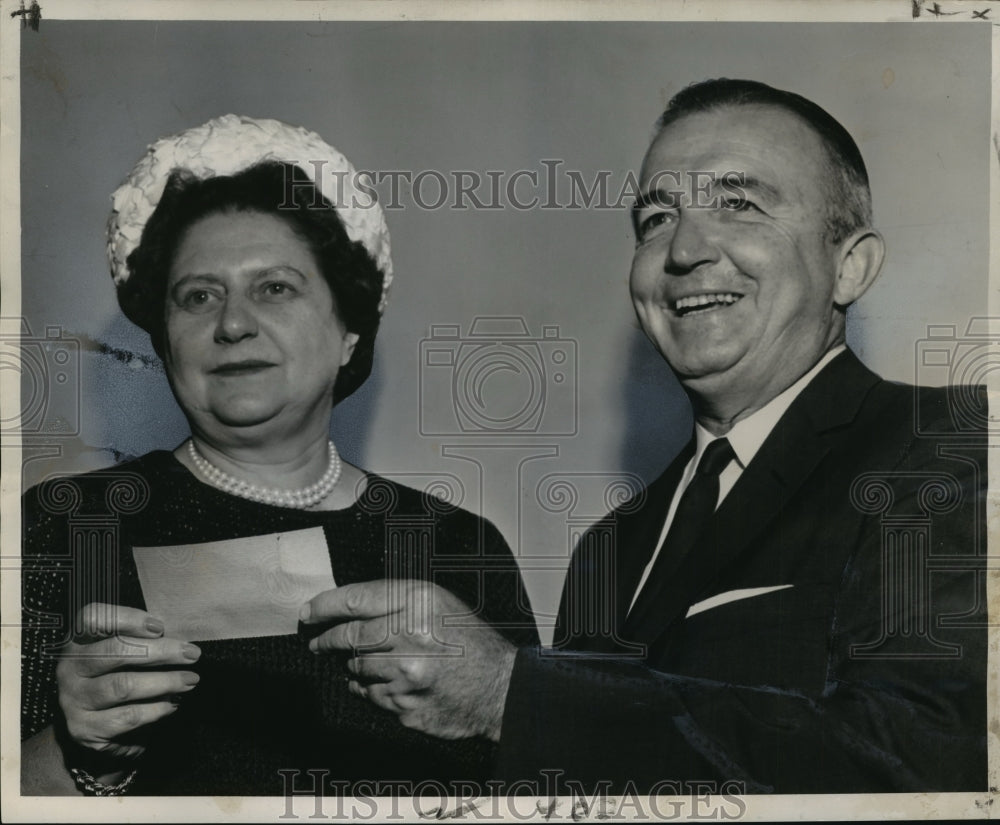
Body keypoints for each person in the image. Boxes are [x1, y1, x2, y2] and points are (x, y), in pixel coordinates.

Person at [301, 80, 988, 794]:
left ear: (851, 265)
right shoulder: (609, 547)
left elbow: (921, 764)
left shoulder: (945, 447)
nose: (684, 248)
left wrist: (513, 696)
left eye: (740, 203)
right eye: (657, 217)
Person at [20, 115, 538, 796]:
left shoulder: (460, 545)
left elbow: (544, 791)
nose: (232, 323)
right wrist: (80, 748)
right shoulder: (64, 526)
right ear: (166, 338)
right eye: (198, 296)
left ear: (349, 328)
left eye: (275, 287)